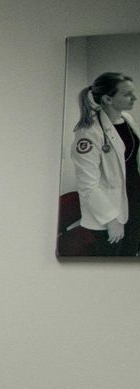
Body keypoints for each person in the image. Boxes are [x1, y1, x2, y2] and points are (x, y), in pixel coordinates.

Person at [70, 72, 140, 256]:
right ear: (108, 99)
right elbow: (87, 186)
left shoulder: (126, 119)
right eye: (127, 94)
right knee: (114, 259)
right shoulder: (88, 133)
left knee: (132, 251)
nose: (135, 97)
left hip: (132, 199)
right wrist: (111, 220)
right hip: (110, 210)